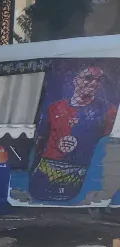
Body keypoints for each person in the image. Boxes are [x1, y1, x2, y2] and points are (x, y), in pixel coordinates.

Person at [30, 65, 118, 202]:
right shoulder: (54, 108)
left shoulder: (109, 111)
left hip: (83, 173)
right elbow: (41, 139)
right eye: (88, 78)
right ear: (76, 80)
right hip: (48, 170)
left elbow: (109, 144)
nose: (94, 83)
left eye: (98, 80)